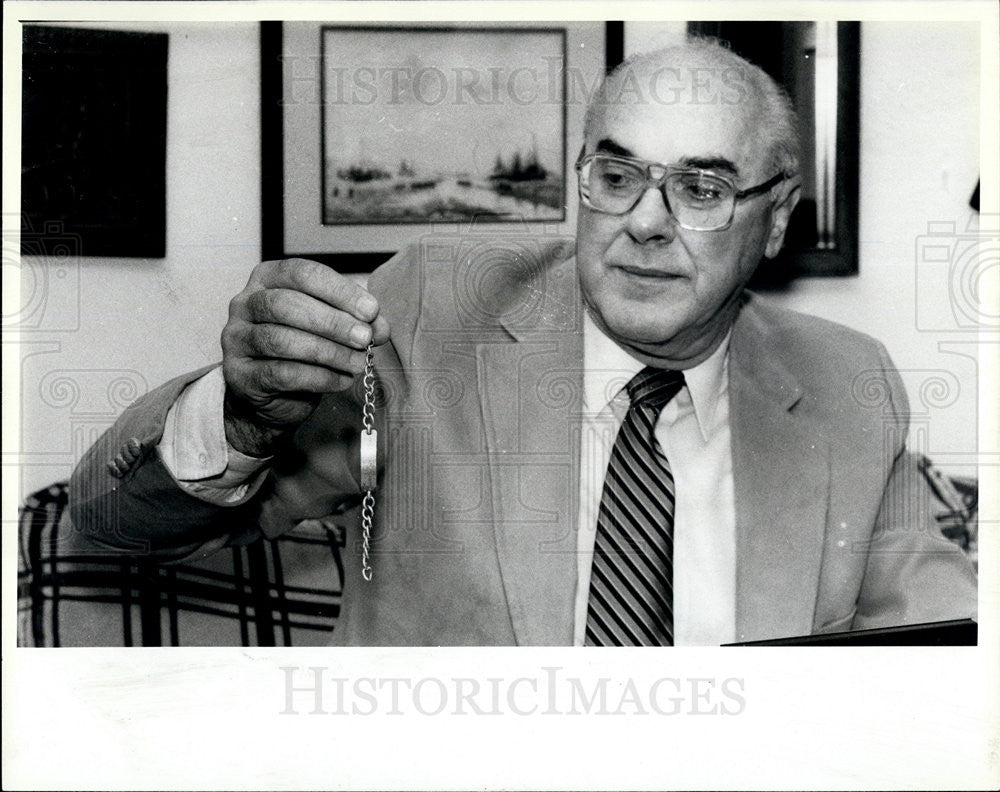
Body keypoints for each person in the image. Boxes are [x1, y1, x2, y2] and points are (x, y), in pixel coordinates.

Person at [69, 38, 977, 646]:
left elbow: (945, 650)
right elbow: (109, 522)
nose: (645, 224)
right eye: (617, 175)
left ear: (775, 221)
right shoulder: (430, 313)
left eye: (701, 188)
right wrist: (241, 415)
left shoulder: (844, 379)